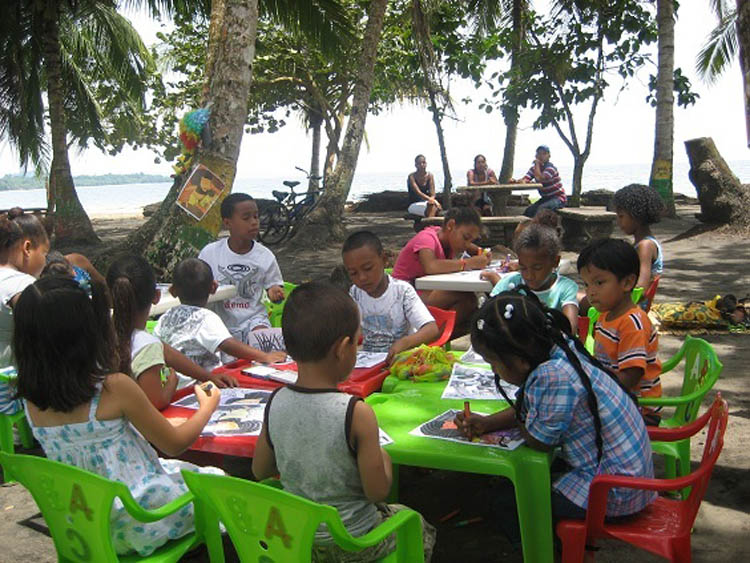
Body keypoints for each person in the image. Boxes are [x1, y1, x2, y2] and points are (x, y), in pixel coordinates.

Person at [13, 275, 224, 557]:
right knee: (216, 479)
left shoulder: (30, 399)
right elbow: (175, 444)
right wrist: (207, 407)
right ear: (88, 332)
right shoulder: (114, 388)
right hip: (140, 522)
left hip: (82, 524)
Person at [252, 282, 436, 561]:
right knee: (417, 524)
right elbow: (377, 491)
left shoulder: (276, 400)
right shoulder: (356, 413)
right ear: (344, 348)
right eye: (357, 340)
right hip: (352, 543)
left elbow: (260, 469)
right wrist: (383, 459)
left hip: (295, 540)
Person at [455, 290, 655, 546]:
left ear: (518, 361)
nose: (494, 370)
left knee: (508, 502)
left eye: (493, 363)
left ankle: (551, 550)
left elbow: (540, 441)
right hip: (628, 476)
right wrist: (488, 423)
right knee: (515, 484)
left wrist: (525, 419)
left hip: (613, 492)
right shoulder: (559, 346)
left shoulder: (552, 376)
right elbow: (531, 409)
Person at [107, 254, 237, 409]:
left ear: (109, 296)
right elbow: (157, 403)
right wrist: (171, 384)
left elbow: (169, 353)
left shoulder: (101, 333)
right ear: (156, 296)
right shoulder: (146, 345)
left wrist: (209, 377)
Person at [577, 239, 662, 422]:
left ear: (627, 282)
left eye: (599, 283)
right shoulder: (605, 315)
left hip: (637, 408)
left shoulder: (632, 323)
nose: (590, 292)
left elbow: (631, 377)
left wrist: (592, 382)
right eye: (586, 284)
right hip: (616, 395)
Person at [155, 258, 286, 374]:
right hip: (204, 385)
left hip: (175, 386)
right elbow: (228, 345)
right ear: (213, 287)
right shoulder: (205, 317)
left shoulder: (164, 318)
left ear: (172, 291)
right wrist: (264, 356)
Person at [198, 193, 285, 343]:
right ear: (227, 223)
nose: (254, 223)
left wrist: (274, 291)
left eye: (256, 217)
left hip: (254, 320)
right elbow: (196, 286)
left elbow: (274, 286)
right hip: (218, 323)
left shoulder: (265, 256)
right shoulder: (210, 253)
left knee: (264, 341)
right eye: (246, 218)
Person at [342, 231, 439, 364]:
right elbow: (351, 331)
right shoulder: (355, 293)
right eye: (353, 273)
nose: (362, 278)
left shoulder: (402, 291)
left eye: (368, 268)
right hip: (370, 362)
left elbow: (431, 329)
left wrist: (405, 343)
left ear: (384, 259)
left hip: (402, 360)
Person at [392, 206, 490, 335]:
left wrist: (481, 252)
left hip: (422, 292)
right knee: (466, 299)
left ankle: (440, 334)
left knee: (471, 315)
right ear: (450, 225)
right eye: (466, 238)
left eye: (470, 240)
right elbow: (431, 266)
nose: (466, 244)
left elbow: (469, 246)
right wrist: (467, 263)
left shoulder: (446, 237)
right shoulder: (426, 238)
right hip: (402, 298)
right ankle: (431, 337)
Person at [480, 218, 578, 333]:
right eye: (523, 267)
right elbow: (486, 318)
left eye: (537, 268)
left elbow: (570, 329)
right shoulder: (509, 283)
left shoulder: (564, 288)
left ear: (555, 262)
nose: (529, 275)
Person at [0, 211, 49, 415]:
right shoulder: (21, 285)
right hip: (8, 395)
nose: (45, 262)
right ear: (27, 248)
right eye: (45, 254)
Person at [613, 184, 665, 301]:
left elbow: (641, 288)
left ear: (637, 216)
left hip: (629, 306)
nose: (618, 221)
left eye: (621, 216)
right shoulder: (643, 243)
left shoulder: (645, 246)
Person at [513, 145, 566, 217]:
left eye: (544, 154)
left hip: (557, 198)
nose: (541, 156)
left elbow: (539, 179)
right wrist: (517, 181)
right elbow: (526, 179)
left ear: (549, 156)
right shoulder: (534, 169)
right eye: (539, 154)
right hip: (545, 198)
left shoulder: (550, 168)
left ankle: (538, 227)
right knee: (529, 211)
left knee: (542, 209)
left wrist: (537, 164)